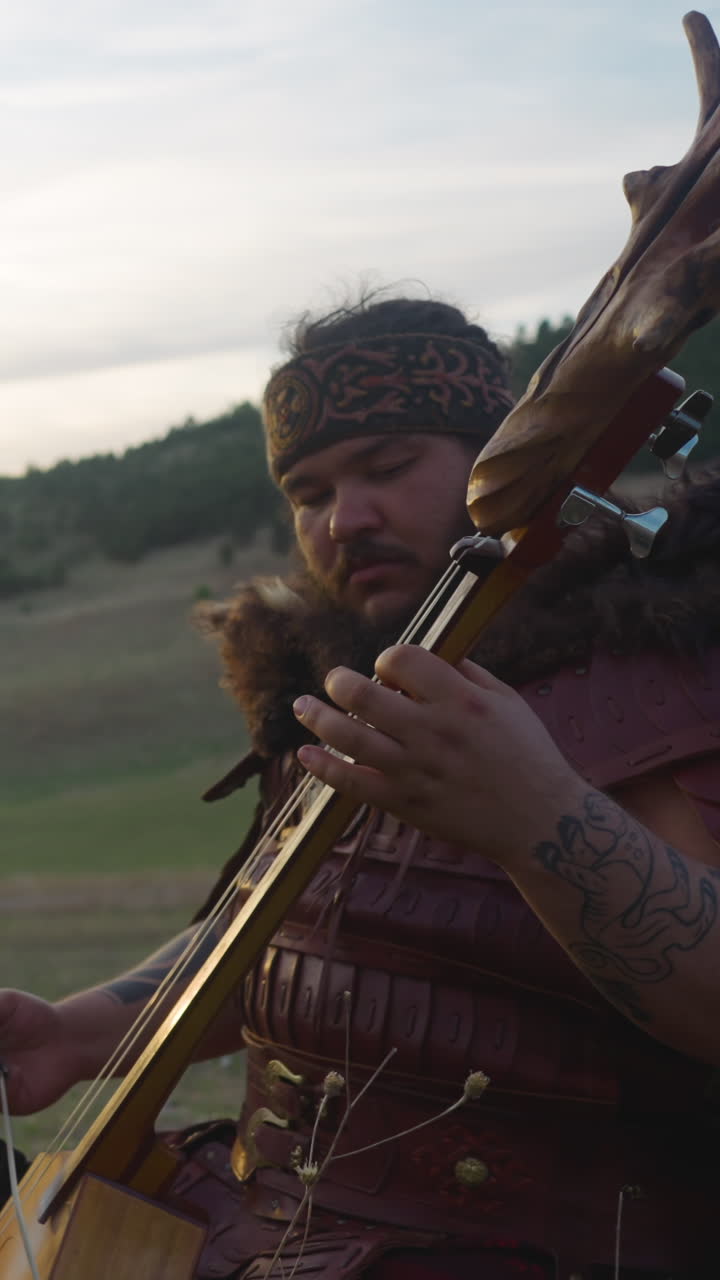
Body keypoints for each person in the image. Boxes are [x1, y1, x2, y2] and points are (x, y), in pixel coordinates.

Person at [2, 296, 720, 1279]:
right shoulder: (347, 679)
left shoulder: (657, 674)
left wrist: (537, 813)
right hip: (259, 1235)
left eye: (387, 466)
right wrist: (77, 1028)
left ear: (507, 460)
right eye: (308, 490)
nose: (345, 518)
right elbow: (295, 922)